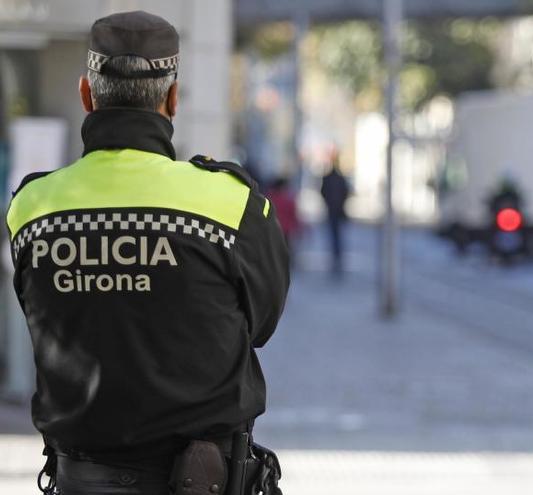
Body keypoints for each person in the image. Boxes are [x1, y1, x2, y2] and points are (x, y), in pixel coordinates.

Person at [6, 11, 289, 495]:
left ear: (86, 94)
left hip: (77, 480)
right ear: (173, 99)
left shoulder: (32, 207)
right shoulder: (232, 205)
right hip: (204, 480)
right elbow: (260, 325)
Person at [320, 153, 351, 277]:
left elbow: (323, 192)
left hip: (334, 210)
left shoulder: (331, 178)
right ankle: (336, 257)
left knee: (335, 235)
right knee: (336, 235)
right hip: (336, 210)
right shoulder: (339, 178)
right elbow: (345, 192)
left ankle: (336, 257)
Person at [266, 177, 303, 269]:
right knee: (286, 247)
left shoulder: (269, 198)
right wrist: (298, 227)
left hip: (273, 228)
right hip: (285, 229)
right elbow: (294, 214)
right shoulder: (288, 199)